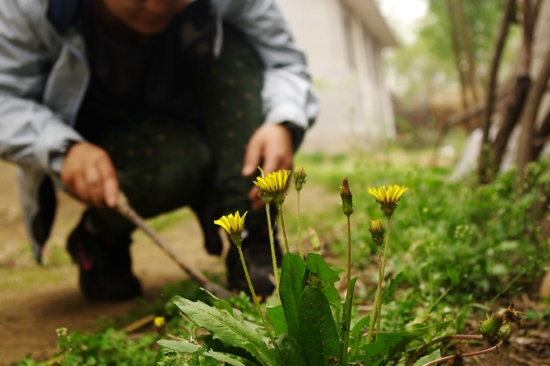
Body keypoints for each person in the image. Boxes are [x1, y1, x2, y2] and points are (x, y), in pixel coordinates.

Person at [0, 0, 317, 301]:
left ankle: (254, 236)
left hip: (203, 111)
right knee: (178, 163)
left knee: (241, 42)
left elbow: (283, 61)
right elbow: (6, 98)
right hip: (109, 138)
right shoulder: (28, 8)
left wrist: (283, 122)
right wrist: (62, 147)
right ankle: (100, 235)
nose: (156, 6)